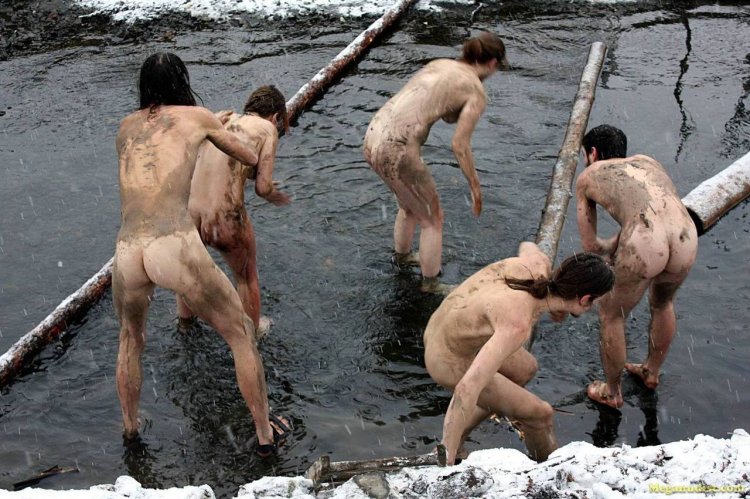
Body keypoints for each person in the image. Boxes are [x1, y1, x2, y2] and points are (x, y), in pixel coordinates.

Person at [113, 53, 289, 457]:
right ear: (183, 82)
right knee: (240, 333)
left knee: (130, 340)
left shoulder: (125, 128)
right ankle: (265, 437)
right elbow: (249, 157)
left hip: (127, 249)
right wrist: (216, 127)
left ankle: (130, 433)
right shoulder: (198, 116)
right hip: (172, 243)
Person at [424, 242, 615, 464]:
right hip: (445, 359)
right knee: (540, 414)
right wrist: (445, 460)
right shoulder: (517, 324)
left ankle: (461, 437)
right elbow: (467, 388)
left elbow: (527, 244)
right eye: (595, 302)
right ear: (585, 300)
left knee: (526, 368)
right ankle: (548, 469)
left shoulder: (537, 264)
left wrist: (560, 307)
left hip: (440, 326)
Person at [363, 32, 509, 288]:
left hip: (373, 134)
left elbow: (439, 109)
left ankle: (402, 258)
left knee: (409, 207)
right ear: (493, 63)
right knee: (433, 218)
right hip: (397, 148)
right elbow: (459, 145)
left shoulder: (440, 64)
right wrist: (475, 185)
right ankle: (430, 285)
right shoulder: (476, 91)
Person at [576, 124, 698, 409]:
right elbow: (654, 209)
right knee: (663, 302)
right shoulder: (647, 162)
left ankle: (612, 392)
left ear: (592, 153)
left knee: (611, 314)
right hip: (685, 234)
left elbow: (591, 246)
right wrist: (621, 242)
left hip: (645, 239)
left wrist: (609, 252)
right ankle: (651, 372)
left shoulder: (589, 176)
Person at [176, 85, 291, 330]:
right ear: (275, 116)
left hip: (190, 213)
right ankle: (252, 331)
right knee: (246, 277)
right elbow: (263, 187)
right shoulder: (267, 129)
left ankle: (185, 324)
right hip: (224, 218)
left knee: (189, 271)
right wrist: (277, 196)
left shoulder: (221, 119)